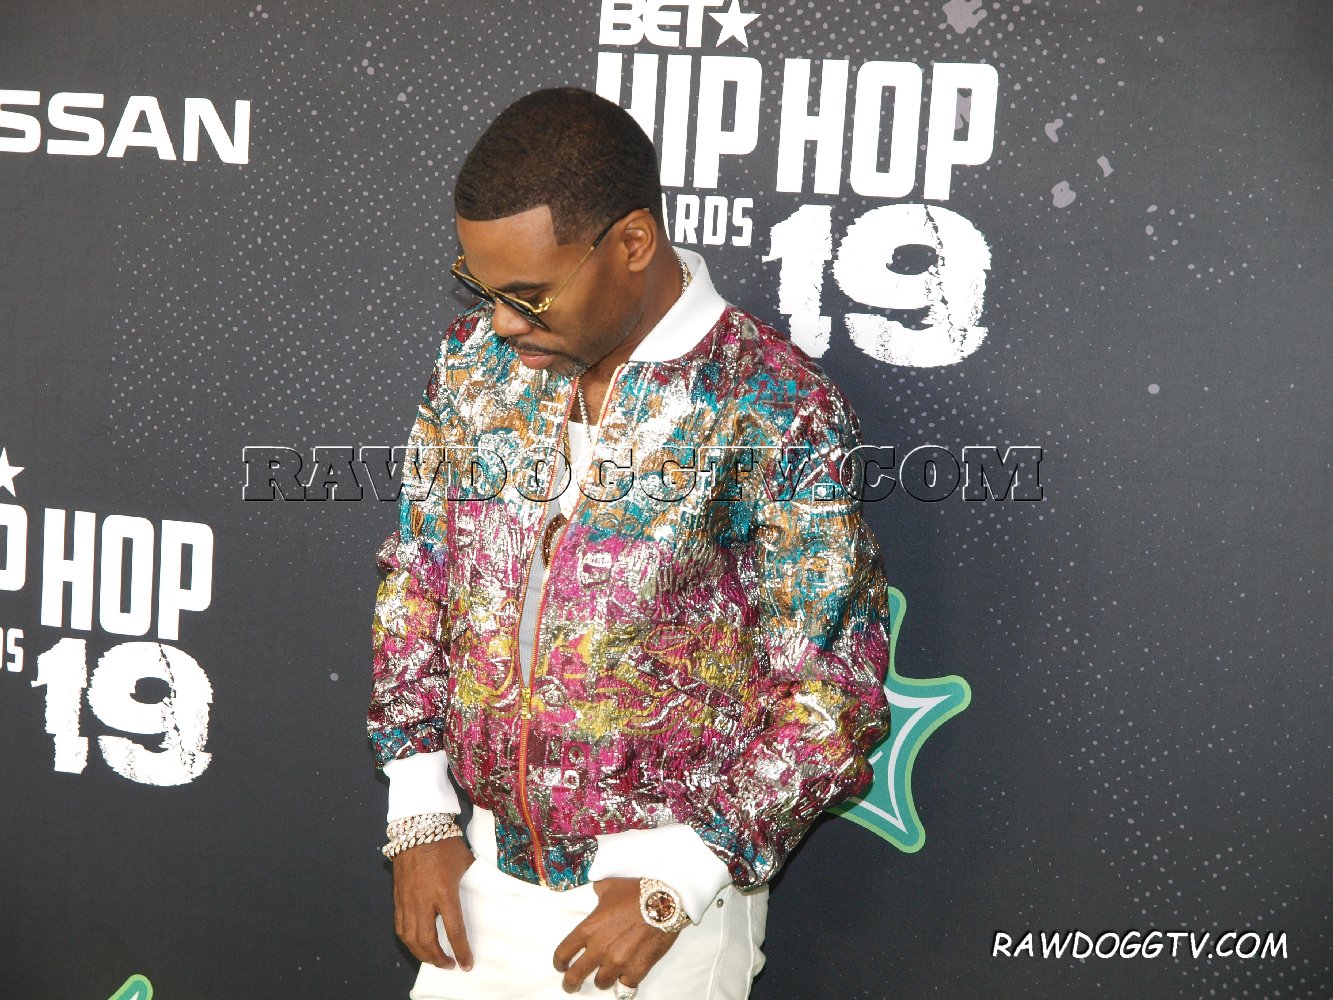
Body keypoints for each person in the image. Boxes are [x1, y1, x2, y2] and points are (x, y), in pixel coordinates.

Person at [368, 87, 893, 1000]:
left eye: (529, 295)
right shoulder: (472, 365)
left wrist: (681, 877)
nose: (502, 322)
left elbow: (832, 691)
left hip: (662, 909)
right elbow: (420, 577)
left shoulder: (771, 405)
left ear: (634, 243)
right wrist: (417, 806)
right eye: (482, 289)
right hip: (477, 875)